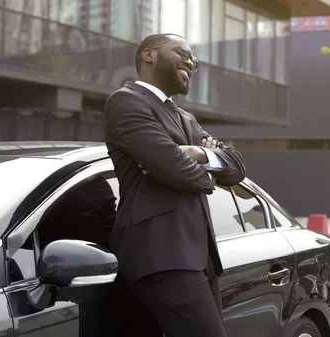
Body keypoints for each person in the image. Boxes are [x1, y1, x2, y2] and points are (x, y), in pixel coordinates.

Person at [103, 33, 246, 337]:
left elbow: (236, 169)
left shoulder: (187, 118)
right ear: (149, 55)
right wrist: (205, 173)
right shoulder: (126, 101)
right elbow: (176, 168)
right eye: (183, 53)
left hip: (199, 256)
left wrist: (200, 154)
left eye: (195, 60)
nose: (191, 63)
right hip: (161, 255)